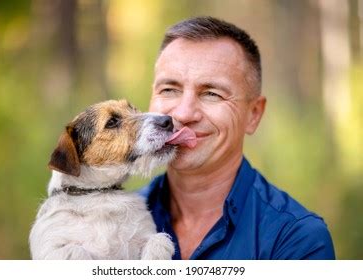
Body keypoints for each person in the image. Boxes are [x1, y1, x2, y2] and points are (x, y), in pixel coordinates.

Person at [139, 16, 335, 260]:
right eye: (169, 90)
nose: (183, 113)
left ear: (254, 114)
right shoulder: (111, 224)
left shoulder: (296, 239)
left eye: (211, 93)